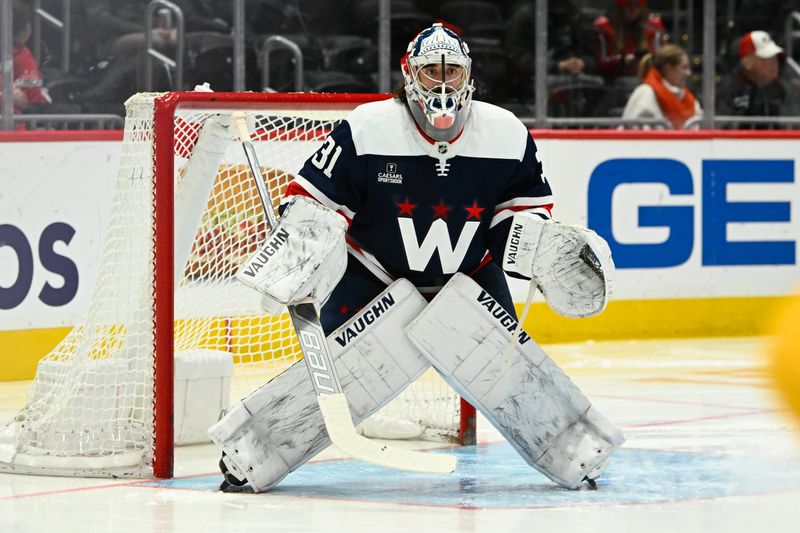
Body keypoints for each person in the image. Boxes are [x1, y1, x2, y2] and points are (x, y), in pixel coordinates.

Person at [209, 23, 623, 493]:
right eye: (431, 73)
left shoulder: (506, 133)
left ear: (470, 76)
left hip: (469, 275)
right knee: (338, 381)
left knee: (510, 374)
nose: (443, 84)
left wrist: (544, 250)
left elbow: (516, 221)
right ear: (409, 75)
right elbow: (316, 203)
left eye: (453, 72)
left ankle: (580, 454)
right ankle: (246, 455)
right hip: (374, 275)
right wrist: (302, 247)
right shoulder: (367, 127)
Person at [717, 30, 800, 117]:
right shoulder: (729, 90)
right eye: (765, 58)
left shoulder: (783, 89)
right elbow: (722, 125)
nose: (774, 63)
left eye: (775, 57)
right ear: (747, 63)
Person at [622, 44, 702, 128]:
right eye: (684, 67)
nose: (688, 73)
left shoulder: (688, 98)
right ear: (668, 69)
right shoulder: (645, 93)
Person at [593, 0, 665, 81]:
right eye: (628, 6)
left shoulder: (653, 25)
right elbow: (600, 64)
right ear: (620, 7)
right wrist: (622, 61)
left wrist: (645, 61)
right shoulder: (604, 26)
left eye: (637, 6)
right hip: (614, 81)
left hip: (647, 79)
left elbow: (661, 60)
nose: (633, 10)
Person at [0, 2, 50, 114]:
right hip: (21, 123)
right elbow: (30, 95)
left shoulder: (20, 54)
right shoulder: (22, 58)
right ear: (28, 28)